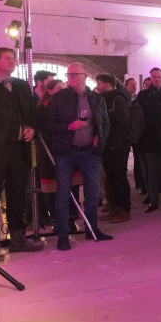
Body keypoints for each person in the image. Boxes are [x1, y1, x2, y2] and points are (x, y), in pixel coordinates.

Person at [0, 47, 43, 260]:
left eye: (14, 58)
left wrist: (33, 128)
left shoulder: (22, 86)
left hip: (19, 147)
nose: (13, 61)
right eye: (7, 58)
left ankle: (18, 238)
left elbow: (32, 113)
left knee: (17, 193)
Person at [42, 62, 113, 250]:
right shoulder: (59, 98)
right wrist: (68, 127)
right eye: (69, 74)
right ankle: (63, 234)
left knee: (92, 194)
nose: (71, 78)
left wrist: (99, 140)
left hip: (90, 152)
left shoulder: (96, 99)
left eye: (75, 74)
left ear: (85, 75)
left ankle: (92, 229)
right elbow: (47, 125)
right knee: (63, 194)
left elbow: (105, 123)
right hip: (66, 152)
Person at [95, 74, 132, 224]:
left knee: (119, 177)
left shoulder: (118, 99)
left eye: (99, 83)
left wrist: (115, 144)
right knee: (109, 177)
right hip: (107, 146)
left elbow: (123, 124)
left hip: (117, 146)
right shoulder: (106, 98)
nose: (97, 86)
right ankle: (115, 206)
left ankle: (124, 208)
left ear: (107, 84)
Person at [136, 67, 161, 212]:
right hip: (149, 139)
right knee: (152, 172)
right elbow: (139, 119)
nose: (156, 79)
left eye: (159, 77)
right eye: (154, 77)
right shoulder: (143, 95)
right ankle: (153, 201)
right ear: (150, 78)